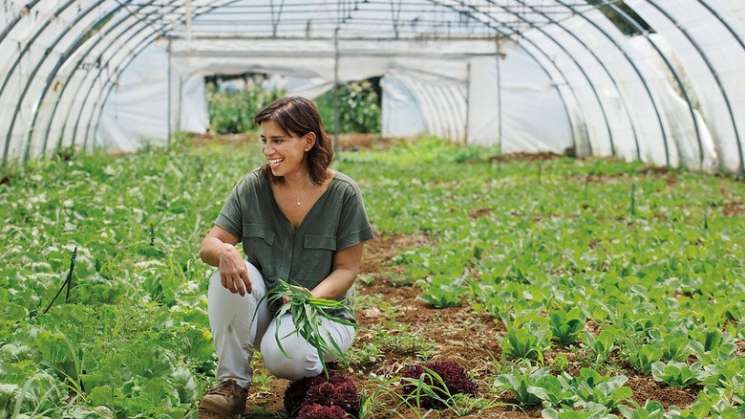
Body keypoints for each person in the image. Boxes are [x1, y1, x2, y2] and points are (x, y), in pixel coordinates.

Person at [196, 96, 373, 418]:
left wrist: (307, 300)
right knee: (227, 276)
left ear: (308, 141)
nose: (268, 150)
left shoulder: (343, 193)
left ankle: (320, 371)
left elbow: (346, 270)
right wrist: (224, 251)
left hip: (321, 310)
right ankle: (231, 386)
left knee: (286, 358)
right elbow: (209, 243)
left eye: (278, 140)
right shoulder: (252, 187)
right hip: (267, 307)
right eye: (264, 141)